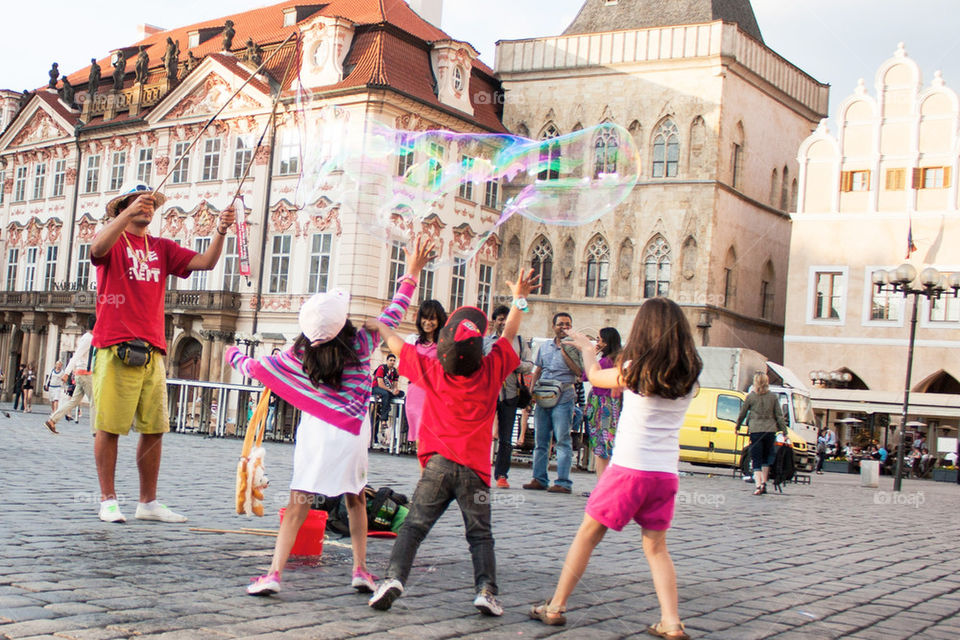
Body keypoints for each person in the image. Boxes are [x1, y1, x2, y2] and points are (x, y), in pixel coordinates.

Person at [230, 237, 433, 597]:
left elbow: (255, 368)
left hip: (316, 432)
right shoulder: (363, 343)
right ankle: (360, 570)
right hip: (353, 432)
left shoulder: (299, 355)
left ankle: (274, 574)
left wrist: (233, 354)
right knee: (355, 499)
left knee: (299, 502)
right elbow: (397, 310)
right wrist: (412, 271)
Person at [529, 298, 702, 640]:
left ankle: (556, 606)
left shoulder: (635, 369)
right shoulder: (689, 377)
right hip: (665, 474)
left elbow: (593, 376)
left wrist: (586, 348)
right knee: (656, 549)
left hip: (629, 469)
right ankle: (671, 621)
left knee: (587, 535)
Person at [368, 269, 538, 615]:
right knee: (480, 535)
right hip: (475, 470)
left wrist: (381, 324)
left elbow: (397, 344)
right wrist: (519, 297)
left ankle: (392, 579)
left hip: (438, 467)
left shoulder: (433, 369)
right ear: (479, 349)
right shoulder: (491, 369)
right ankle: (486, 591)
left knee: (414, 526)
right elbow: (510, 331)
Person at [90, 182, 235, 524]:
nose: (148, 207)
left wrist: (220, 230)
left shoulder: (161, 247)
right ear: (122, 207)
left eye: (152, 203)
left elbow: (206, 262)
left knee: (154, 429)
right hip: (115, 343)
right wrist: (125, 213)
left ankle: (148, 502)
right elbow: (97, 249)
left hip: (153, 347)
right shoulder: (114, 239)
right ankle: (108, 500)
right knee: (108, 426)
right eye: (141, 202)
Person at [523, 312, 583, 494]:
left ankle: (563, 482)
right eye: (561, 324)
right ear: (553, 326)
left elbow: (579, 372)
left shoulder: (576, 347)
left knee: (562, 439)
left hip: (564, 395)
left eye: (567, 324)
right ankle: (539, 478)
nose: (564, 327)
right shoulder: (545, 346)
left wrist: (566, 352)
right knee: (541, 439)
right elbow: (538, 369)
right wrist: (531, 393)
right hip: (544, 394)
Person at [484, 304, 533, 489]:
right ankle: (480, 471)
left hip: (510, 393)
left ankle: (502, 474)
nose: (504, 322)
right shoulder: (486, 342)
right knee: (484, 435)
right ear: (495, 321)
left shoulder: (520, 342)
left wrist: (513, 363)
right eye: (500, 319)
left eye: (507, 319)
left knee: (506, 437)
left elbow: (529, 365)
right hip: (488, 393)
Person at [735, 372, 787, 496]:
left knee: (756, 458)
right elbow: (779, 415)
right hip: (770, 430)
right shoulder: (773, 397)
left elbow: (743, 413)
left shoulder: (751, 397)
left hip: (756, 430)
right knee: (766, 458)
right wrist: (783, 430)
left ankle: (758, 485)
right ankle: (764, 482)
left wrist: (737, 426)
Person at [403, 299, 447, 442]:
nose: (427, 322)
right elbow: (404, 366)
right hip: (415, 393)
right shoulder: (412, 340)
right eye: (425, 317)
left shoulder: (444, 344)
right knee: (419, 442)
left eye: (432, 318)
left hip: (435, 395)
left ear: (439, 320)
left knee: (433, 440)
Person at [46, 315, 97, 435]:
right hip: (85, 374)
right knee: (95, 402)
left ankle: (52, 420)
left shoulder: (89, 337)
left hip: (81, 374)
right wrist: (67, 373)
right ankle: (95, 431)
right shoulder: (88, 338)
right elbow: (76, 356)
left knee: (73, 401)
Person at [584, 327, 623, 480]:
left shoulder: (605, 361)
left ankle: (602, 485)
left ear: (606, 342)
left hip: (602, 405)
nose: (597, 342)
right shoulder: (618, 360)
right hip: (612, 405)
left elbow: (586, 375)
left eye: (599, 339)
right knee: (608, 446)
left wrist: (591, 355)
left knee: (602, 447)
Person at [372, 353, 403, 432]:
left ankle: (398, 418)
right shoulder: (382, 368)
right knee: (386, 394)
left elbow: (395, 385)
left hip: (387, 390)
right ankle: (383, 420)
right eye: (391, 360)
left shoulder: (395, 372)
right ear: (387, 361)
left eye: (394, 361)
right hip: (377, 388)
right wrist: (391, 391)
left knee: (402, 393)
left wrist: (395, 390)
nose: (392, 362)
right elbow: (380, 384)